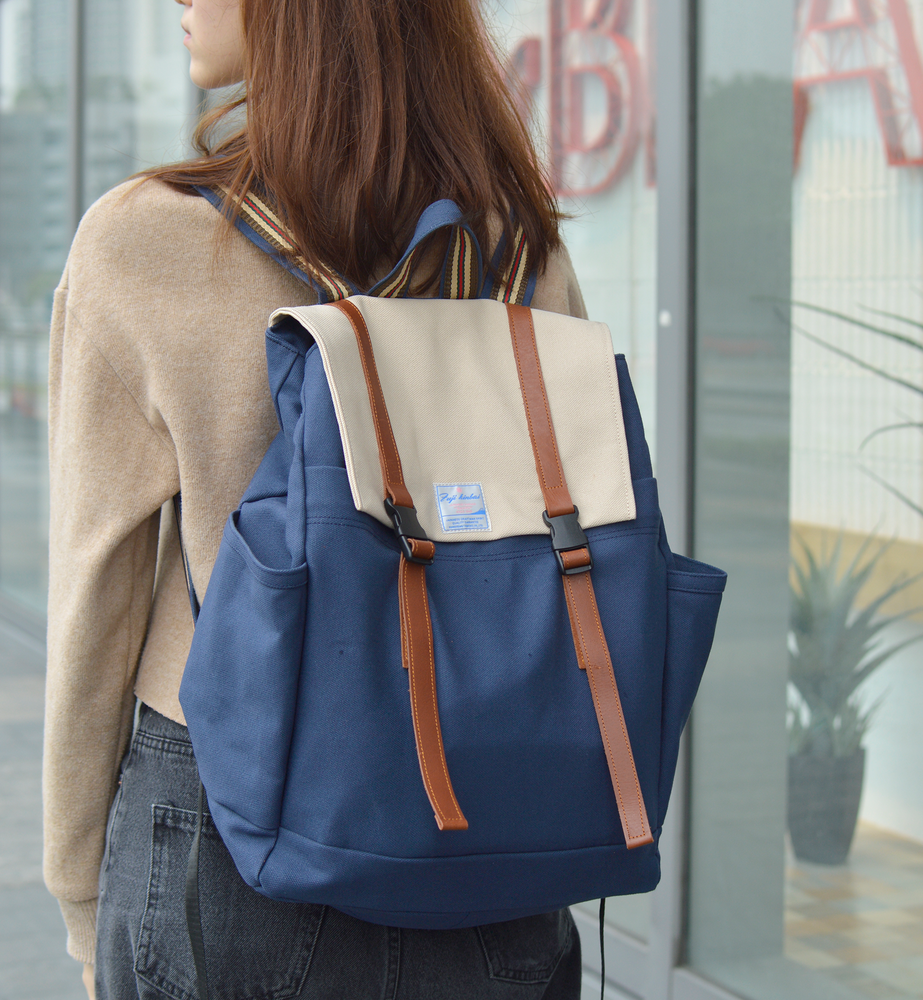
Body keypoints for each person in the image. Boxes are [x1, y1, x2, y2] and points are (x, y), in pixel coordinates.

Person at [44, 1, 590, 997]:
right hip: (483, 812)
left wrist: (78, 883)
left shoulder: (144, 242)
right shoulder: (514, 250)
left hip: (225, 823)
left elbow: (98, 597)